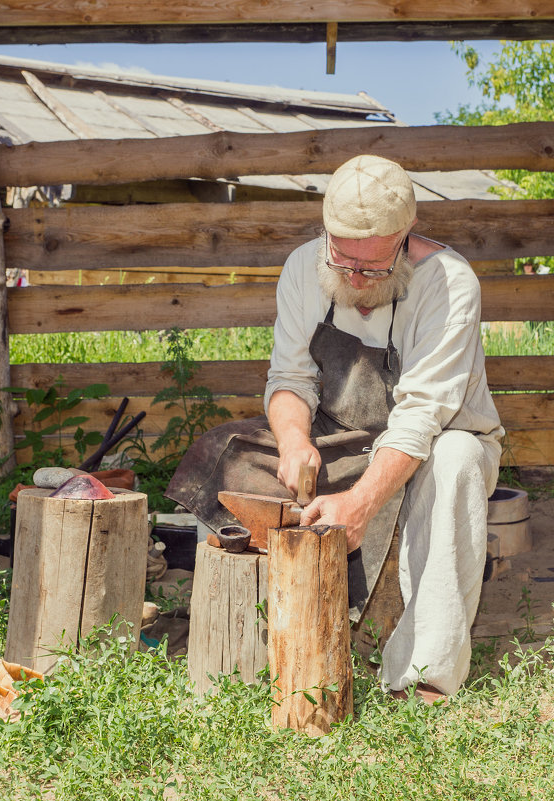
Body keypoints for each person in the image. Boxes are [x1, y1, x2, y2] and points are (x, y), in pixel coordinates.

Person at [166, 154, 504, 701]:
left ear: (406, 235)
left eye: (372, 268)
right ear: (326, 233)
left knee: (458, 459)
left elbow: (420, 420)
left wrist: (360, 504)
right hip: (338, 435)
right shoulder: (304, 267)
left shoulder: (449, 283)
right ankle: (246, 644)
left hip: (434, 440)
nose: (353, 278)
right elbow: (290, 377)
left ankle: (424, 678)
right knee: (223, 453)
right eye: (343, 260)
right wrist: (295, 439)